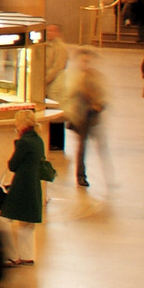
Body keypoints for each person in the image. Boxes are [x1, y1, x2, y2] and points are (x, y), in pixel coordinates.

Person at [0, 108, 47, 266]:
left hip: (21, 186)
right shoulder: (38, 140)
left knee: (4, 220)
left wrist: (17, 143)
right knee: (27, 223)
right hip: (33, 185)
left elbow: (12, 165)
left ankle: (10, 255)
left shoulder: (24, 142)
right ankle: (27, 255)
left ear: (21, 123)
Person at [63, 48, 110, 191]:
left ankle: (108, 176)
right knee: (82, 148)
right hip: (81, 117)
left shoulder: (96, 76)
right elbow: (69, 95)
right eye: (83, 61)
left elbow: (103, 94)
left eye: (88, 61)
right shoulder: (74, 76)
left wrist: (99, 104)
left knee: (101, 146)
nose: (86, 64)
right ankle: (81, 176)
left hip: (94, 115)